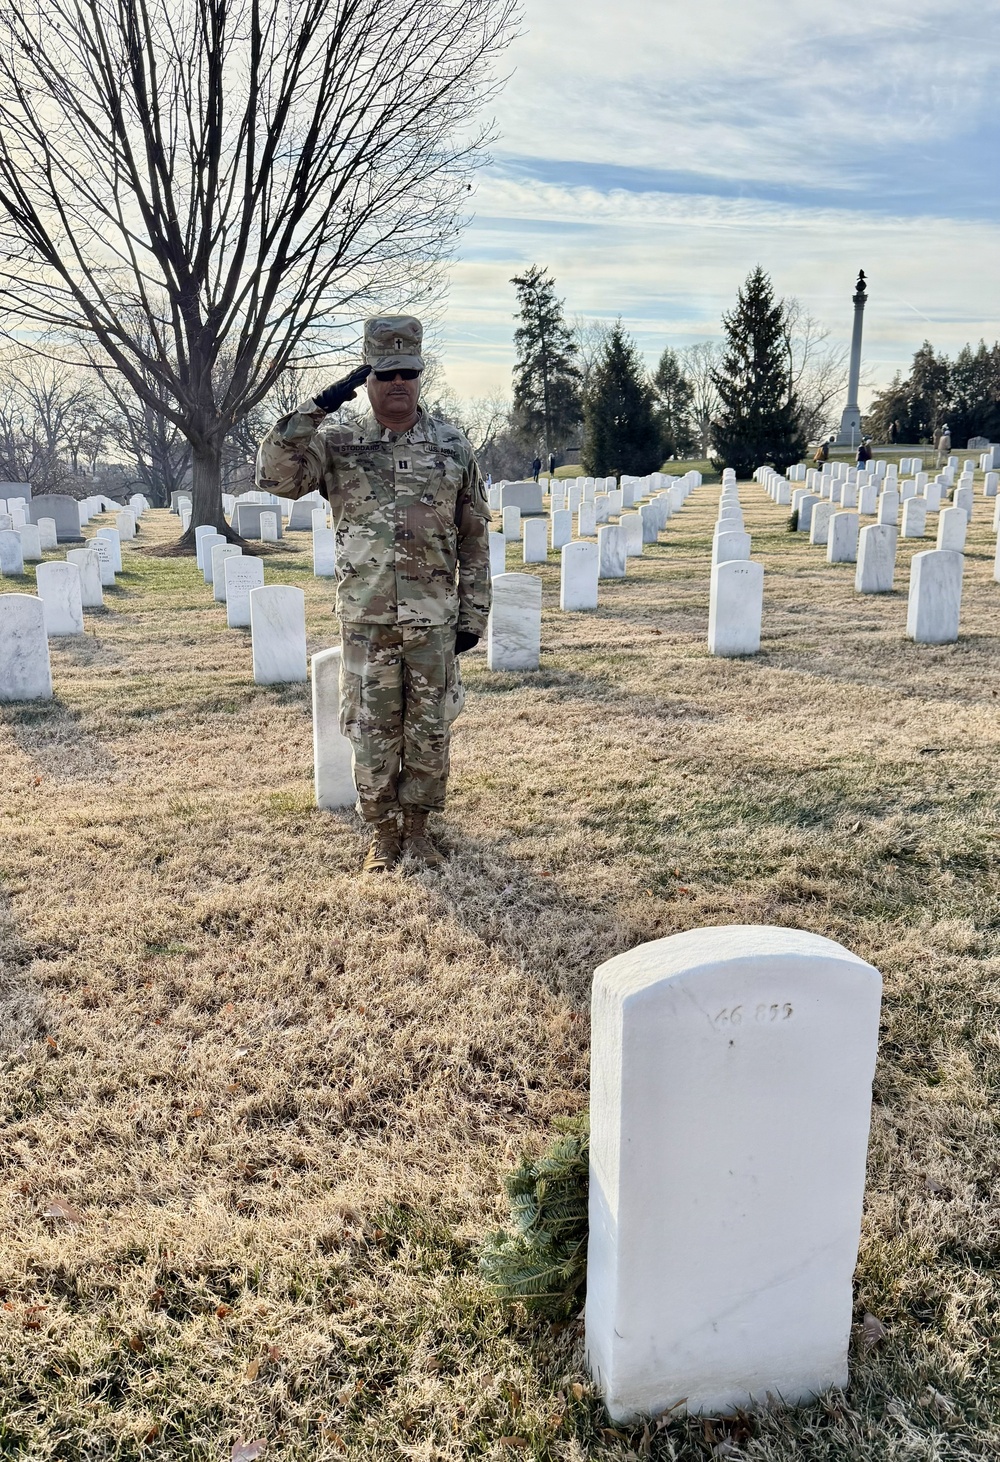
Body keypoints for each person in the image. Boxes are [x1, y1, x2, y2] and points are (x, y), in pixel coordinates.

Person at [256, 315, 491, 876]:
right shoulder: (338, 444)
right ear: (367, 378)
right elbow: (273, 477)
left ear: (421, 374)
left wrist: (474, 613)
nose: (398, 384)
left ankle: (418, 830)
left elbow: (476, 533)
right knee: (371, 730)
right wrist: (314, 409)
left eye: (408, 372)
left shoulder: (452, 445)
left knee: (430, 728)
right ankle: (382, 835)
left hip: (434, 619)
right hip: (367, 618)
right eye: (385, 374)